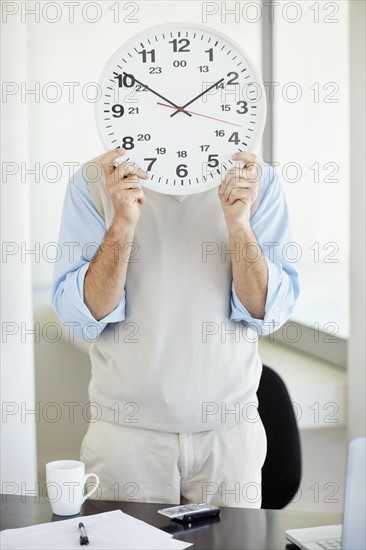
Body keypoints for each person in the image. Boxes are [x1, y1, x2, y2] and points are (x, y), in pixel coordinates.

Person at [52, 147, 299, 508]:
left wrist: (239, 224)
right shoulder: (95, 181)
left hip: (228, 437)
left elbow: (265, 312)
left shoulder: (255, 181)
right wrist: (122, 222)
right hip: (127, 439)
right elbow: (86, 316)